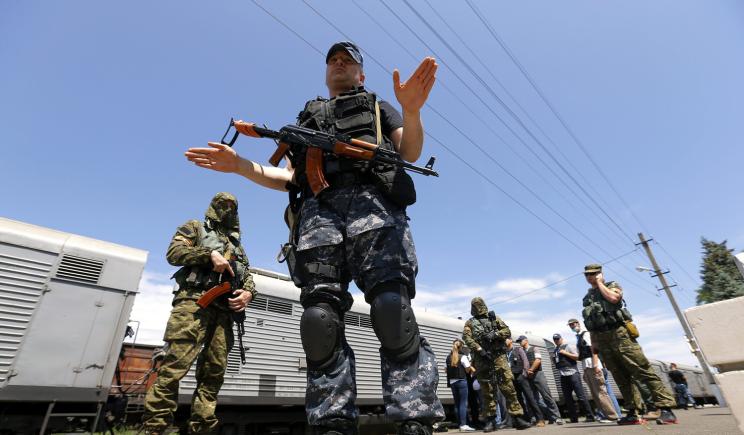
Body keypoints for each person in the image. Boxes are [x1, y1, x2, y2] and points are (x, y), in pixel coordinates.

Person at [185, 41, 443, 435]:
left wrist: (411, 108)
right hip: (317, 216)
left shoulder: (377, 106)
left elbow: (408, 150)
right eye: (333, 61)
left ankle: (413, 418)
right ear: (326, 72)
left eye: (348, 61)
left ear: (361, 73)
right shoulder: (307, 118)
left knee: (393, 310)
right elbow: (290, 177)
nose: (339, 65)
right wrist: (240, 165)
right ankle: (331, 422)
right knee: (318, 320)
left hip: (374, 208)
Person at [142, 193, 256, 434]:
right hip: (193, 304)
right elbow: (174, 253)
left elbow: (248, 277)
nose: (226, 210)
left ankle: (202, 426)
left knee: (214, 372)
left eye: (231, 207)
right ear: (212, 208)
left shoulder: (237, 246)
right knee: (174, 367)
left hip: (224, 312)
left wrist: (247, 294)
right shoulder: (195, 227)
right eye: (222, 205)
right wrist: (208, 255)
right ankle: (156, 427)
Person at [581, 263, 678, 425]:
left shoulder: (612, 286)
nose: (590, 276)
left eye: (594, 273)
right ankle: (633, 412)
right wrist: (595, 346)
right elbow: (591, 323)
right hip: (602, 338)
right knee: (620, 376)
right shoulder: (587, 298)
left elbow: (614, 298)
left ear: (600, 273)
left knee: (642, 370)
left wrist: (599, 283)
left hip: (620, 335)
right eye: (587, 275)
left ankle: (667, 409)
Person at [462, 297, 531, 431]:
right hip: (482, 359)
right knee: (487, 390)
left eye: (479, 305)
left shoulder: (494, 318)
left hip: (499, 358)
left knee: (508, 387)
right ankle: (491, 421)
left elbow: (507, 331)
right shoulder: (470, 323)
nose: (478, 308)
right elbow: (466, 338)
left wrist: (495, 334)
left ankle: (517, 418)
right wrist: (480, 350)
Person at [567, 318, 618, 422]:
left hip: (593, 365)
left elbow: (594, 349)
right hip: (586, 366)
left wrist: (595, 365)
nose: (572, 326)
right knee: (595, 394)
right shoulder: (578, 337)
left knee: (601, 392)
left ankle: (612, 416)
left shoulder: (585, 334)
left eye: (573, 324)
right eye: (570, 325)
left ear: (578, 323)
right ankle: (605, 415)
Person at [516, 335, 562, 425]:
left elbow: (538, 360)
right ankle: (547, 417)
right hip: (528, 377)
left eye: (520, 341)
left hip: (538, 375)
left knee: (546, 396)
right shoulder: (521, 352)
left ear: (526, 340)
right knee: (534, 399)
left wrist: (531, 370)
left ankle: (557, 417)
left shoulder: (534, 349)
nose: (519, 343)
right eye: (518, 341)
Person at [551, 334, 595, 423]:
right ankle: (573, 418)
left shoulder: (569, 346)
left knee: (581, 396)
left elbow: (577, 357)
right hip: (563, 375)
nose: (556, 341)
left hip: (573, 374)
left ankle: (590, 416)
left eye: (557, 339)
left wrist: (565, 353)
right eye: (554, 339)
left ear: (561, 339)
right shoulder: (555, 350)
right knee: (568, 398)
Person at [506, 338, 545, 427]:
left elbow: (525, 361)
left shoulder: (518, 349)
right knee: (518, 400)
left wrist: (524, 374)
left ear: (511, 340)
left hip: (521, 376)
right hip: (512, 378)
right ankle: (525, 420)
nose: (504, 341)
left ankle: (540, 419)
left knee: (530, 397)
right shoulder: (505, 353)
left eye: (506, 339)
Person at [446, 340, 476, 431]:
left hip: (452, 382)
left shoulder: (448, 357)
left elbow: (445, 370)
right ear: (461, 347)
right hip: (461, 381)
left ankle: (460, 424)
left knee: (457, 403)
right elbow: (467, 370)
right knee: (463, 403)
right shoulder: (462, 357)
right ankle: (463, 425)